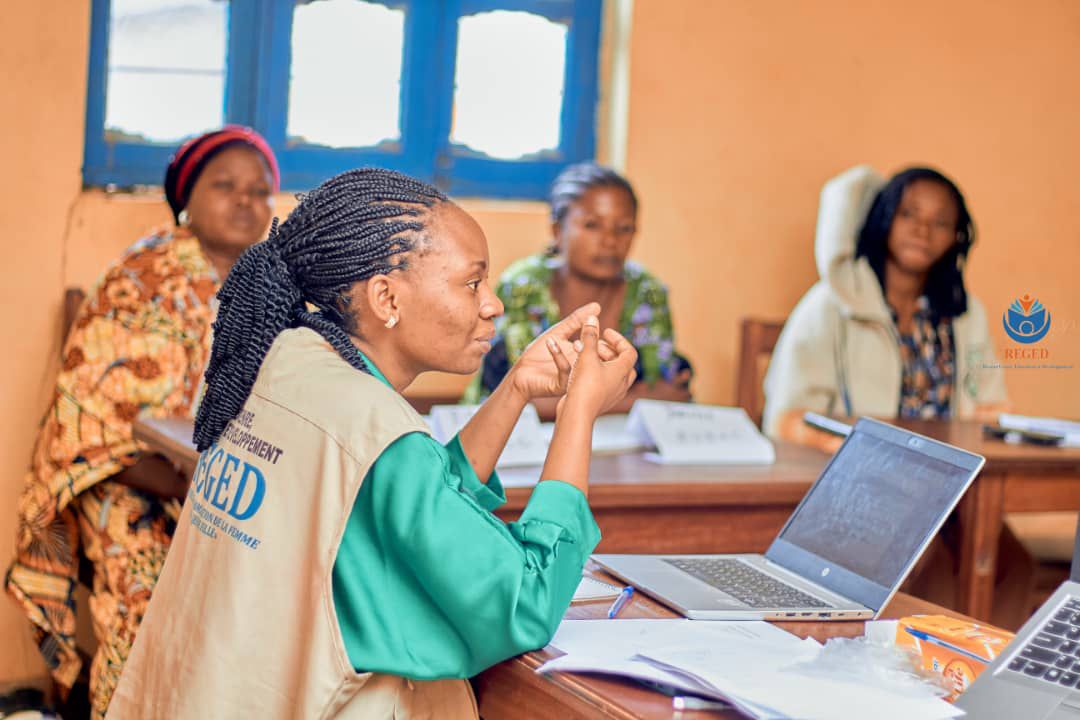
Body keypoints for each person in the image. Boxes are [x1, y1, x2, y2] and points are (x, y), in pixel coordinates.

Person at [106, 168, 638, 718]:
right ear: (386, 297)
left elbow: (419, 496)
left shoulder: (289, 363)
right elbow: (523, 604)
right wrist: (579, 413)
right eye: (472, 283)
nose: (493, 304)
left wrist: (516, 389)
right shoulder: (375, 426)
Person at [6, 126, 278, 718]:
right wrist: (198, 490)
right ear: (187, 197)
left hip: (228, 482)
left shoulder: (277, 285)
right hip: (133, 480)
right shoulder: (140, 280)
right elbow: (89, 426)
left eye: (260, 191)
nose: (245, 202)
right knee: (148, 598)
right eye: (225, 186)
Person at [763, 165, 1008, 451]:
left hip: (949, 480)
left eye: (940, 222)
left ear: (956, 237)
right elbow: (788, 420)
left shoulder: (966, 315)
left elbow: (991, 411)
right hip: (852, 476)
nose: (923, 230)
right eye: (908, 214)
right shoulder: (829, 306)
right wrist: (852, 451)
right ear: (884, 218)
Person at [462, 162, 690, 418]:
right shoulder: (523, 287)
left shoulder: (647, 291)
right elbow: (515, 398)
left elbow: (669, 395)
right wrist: (630, 400)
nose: (610, 241)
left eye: (623, 228)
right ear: (557, 230)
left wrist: (645, 399)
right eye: (592, 225)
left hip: (616, 444)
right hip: (511, 443)